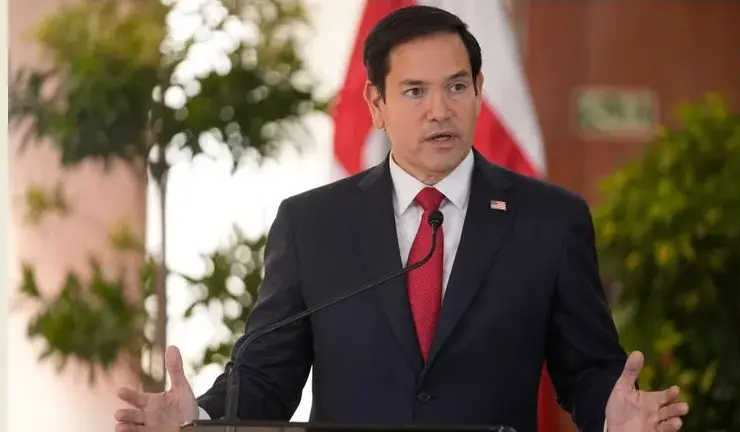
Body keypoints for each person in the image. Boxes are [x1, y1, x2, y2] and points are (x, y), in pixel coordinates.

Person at [114, 5, 689, 432]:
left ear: (479, 91)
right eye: (415, 91)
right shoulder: (312, 224)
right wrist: (200, 418)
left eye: (456, 87)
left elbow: (586, 369)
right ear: (376, 104)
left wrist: (613, 415)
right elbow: (266, 377)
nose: (440, 110)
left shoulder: (550, 221)